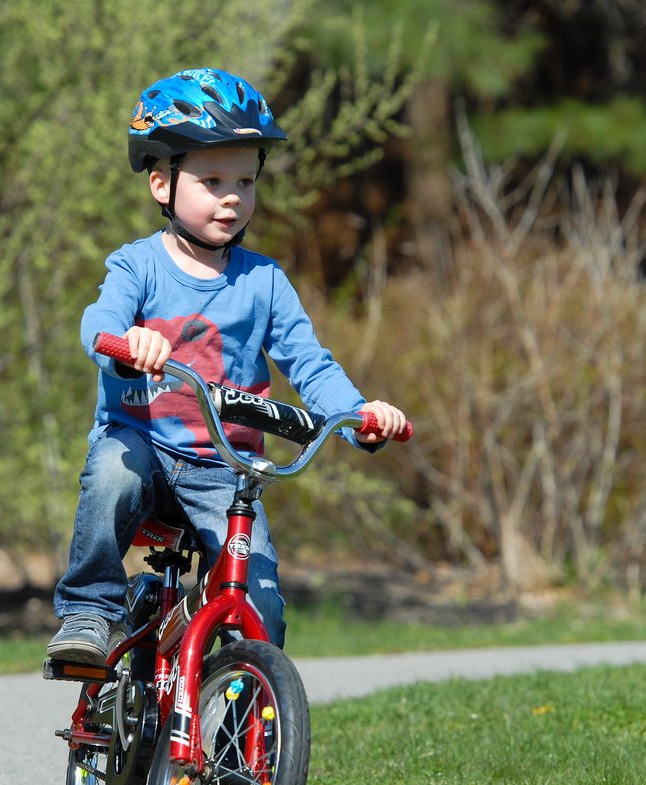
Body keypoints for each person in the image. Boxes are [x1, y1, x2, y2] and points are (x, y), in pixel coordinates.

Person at [47, 68, 408, 664]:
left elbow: (310, 363)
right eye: (212, 179)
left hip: (226, 468)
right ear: (161, 184)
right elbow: (97, 326)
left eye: (245, 179)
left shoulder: (264, 281)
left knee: (262, 610)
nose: (232, 195)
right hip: (143, 445)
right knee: (112, 472)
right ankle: (90, 613)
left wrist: (359, 412)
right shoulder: (137, 267)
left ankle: (247, 743)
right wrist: (128, 341)